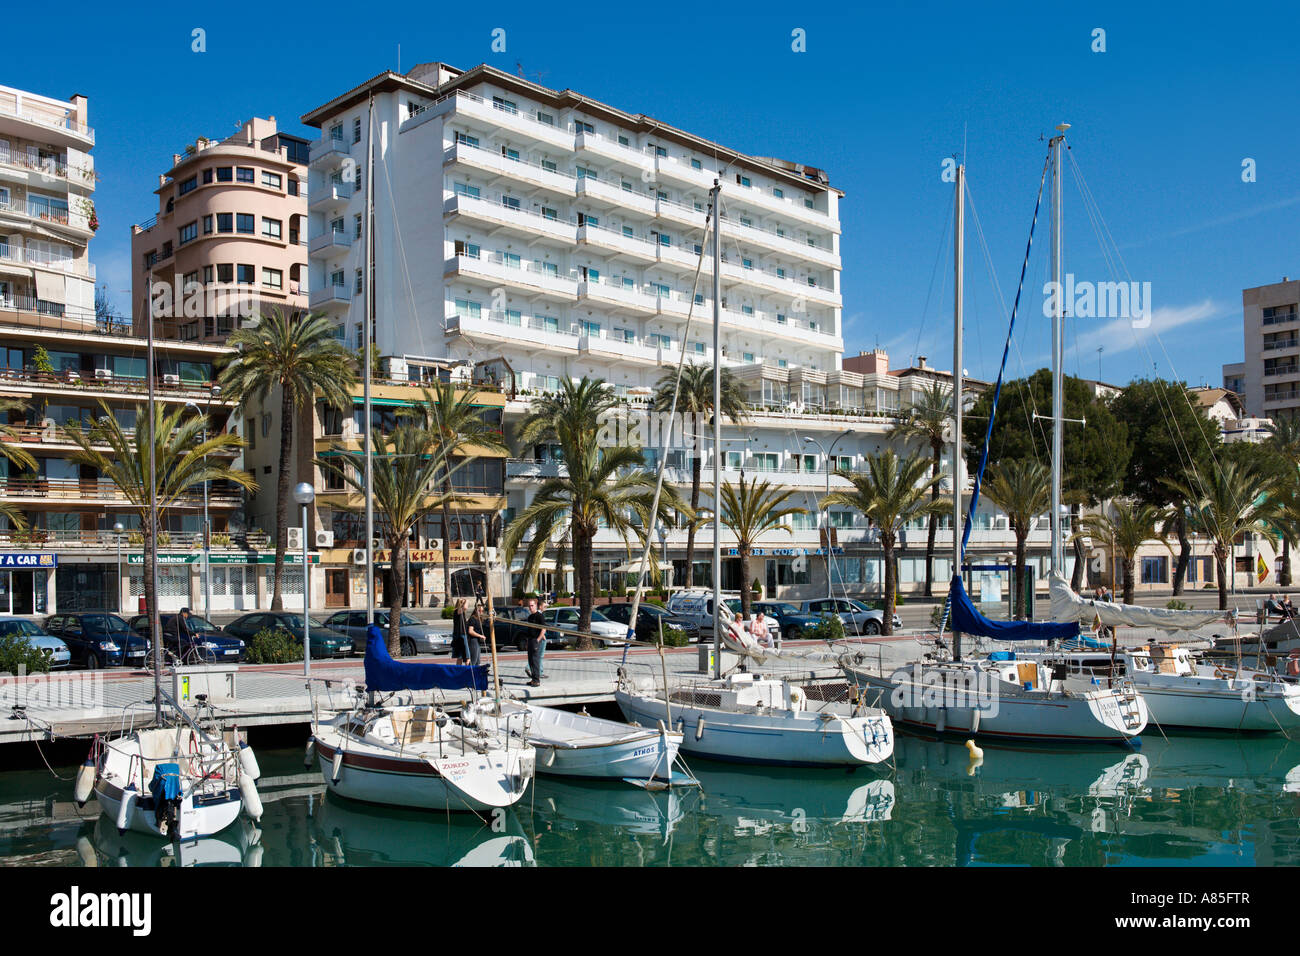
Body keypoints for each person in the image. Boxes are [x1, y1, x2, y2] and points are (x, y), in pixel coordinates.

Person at [525, 597, 546, 686]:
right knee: (530, 661)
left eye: (532, 606)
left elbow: (544, 629)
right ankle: (533, 679)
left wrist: (538, 639)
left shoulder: (539, 616)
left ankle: (537, 680)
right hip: (530, 640)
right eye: (529, 606)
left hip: (536, 640)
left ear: (536, 606)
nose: (530, 608)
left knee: (535, 660)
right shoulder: (530, 617)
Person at [450, 597, 470, 666]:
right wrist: (467, 600)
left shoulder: (461, 613)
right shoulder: (457, 611)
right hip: (460, 636)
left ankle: (459, 671)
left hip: (460, 635)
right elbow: (465, 607)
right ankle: (467, 671)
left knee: (460, 657)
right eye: (463, 603)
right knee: (466, 657)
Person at [466, 601, 486, 667]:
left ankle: (475, 674)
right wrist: (480, 636)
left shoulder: (480, 619)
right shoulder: (472, 619)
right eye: (479, 611)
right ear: (476, 610)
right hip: (472, 640)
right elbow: (470, 631)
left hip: (477, 640)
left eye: (482, 611)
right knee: (473, 660)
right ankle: (468, 674)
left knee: (477, 660)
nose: (481, 612)